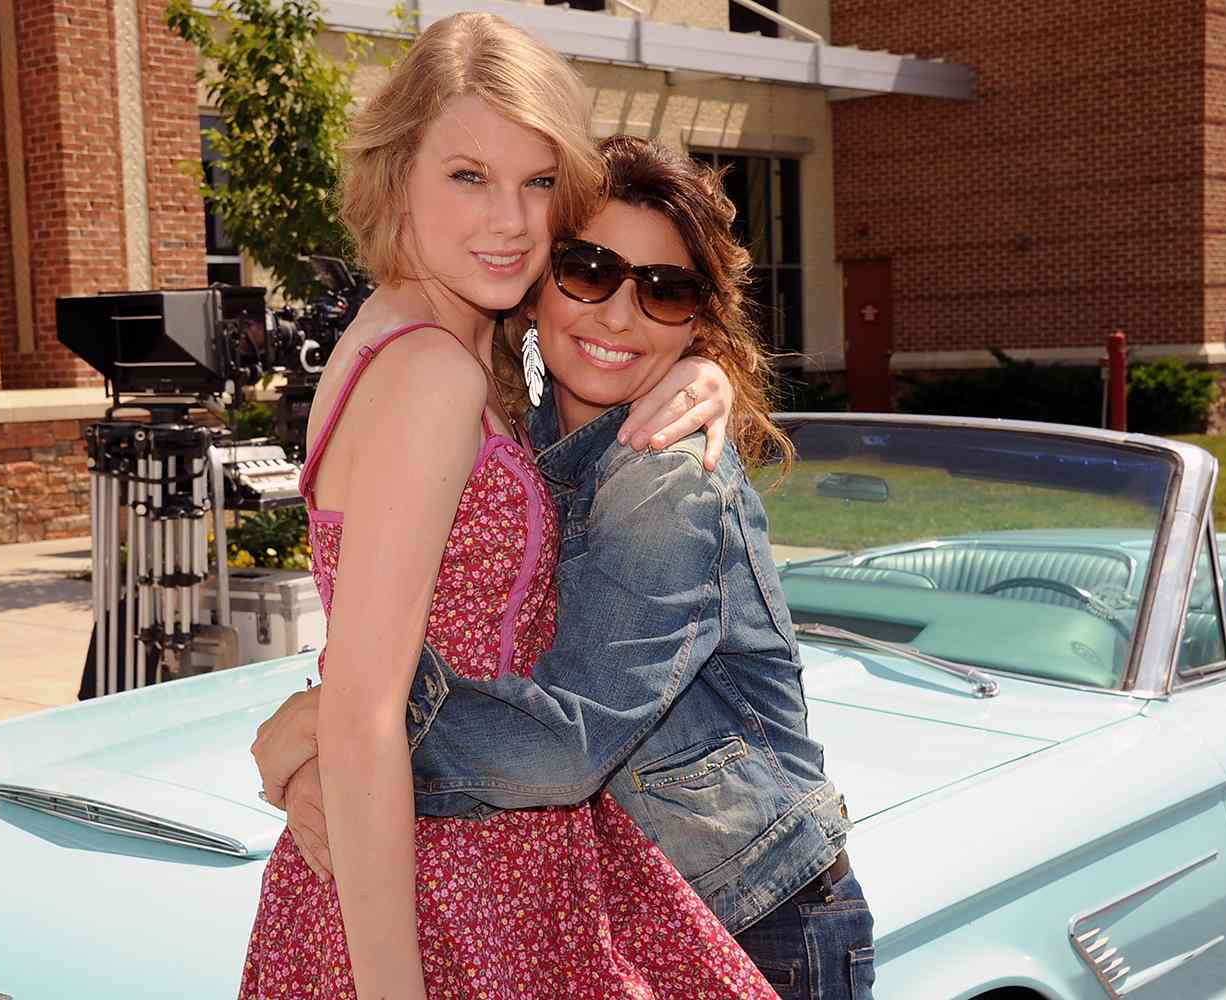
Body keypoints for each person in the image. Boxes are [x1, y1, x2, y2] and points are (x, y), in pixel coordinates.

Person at [257, 136, 876, 1000]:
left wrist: (346, 725)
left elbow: (564, 747)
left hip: (754, 914)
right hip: (631, 915)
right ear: (541, 279)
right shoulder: (523, 431)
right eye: (590, 271)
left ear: (699, 318)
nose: (619, 315)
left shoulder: (665, 471)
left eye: (665, 291)